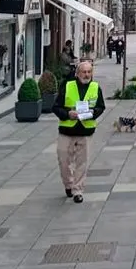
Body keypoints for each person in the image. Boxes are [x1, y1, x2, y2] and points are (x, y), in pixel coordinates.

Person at [51, 61, 105, 203]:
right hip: (67, 129)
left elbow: (101, 107)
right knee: (63, 160)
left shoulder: (95, 87)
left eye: (89, 72)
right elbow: (56, 107)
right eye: (84, 72)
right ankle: (68, 184)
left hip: (85, 130)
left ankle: (78, 190)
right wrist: (68, 113)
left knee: (82, 162)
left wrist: (93, 113)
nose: (86, 75)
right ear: (77, 73)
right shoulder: (68, 86)